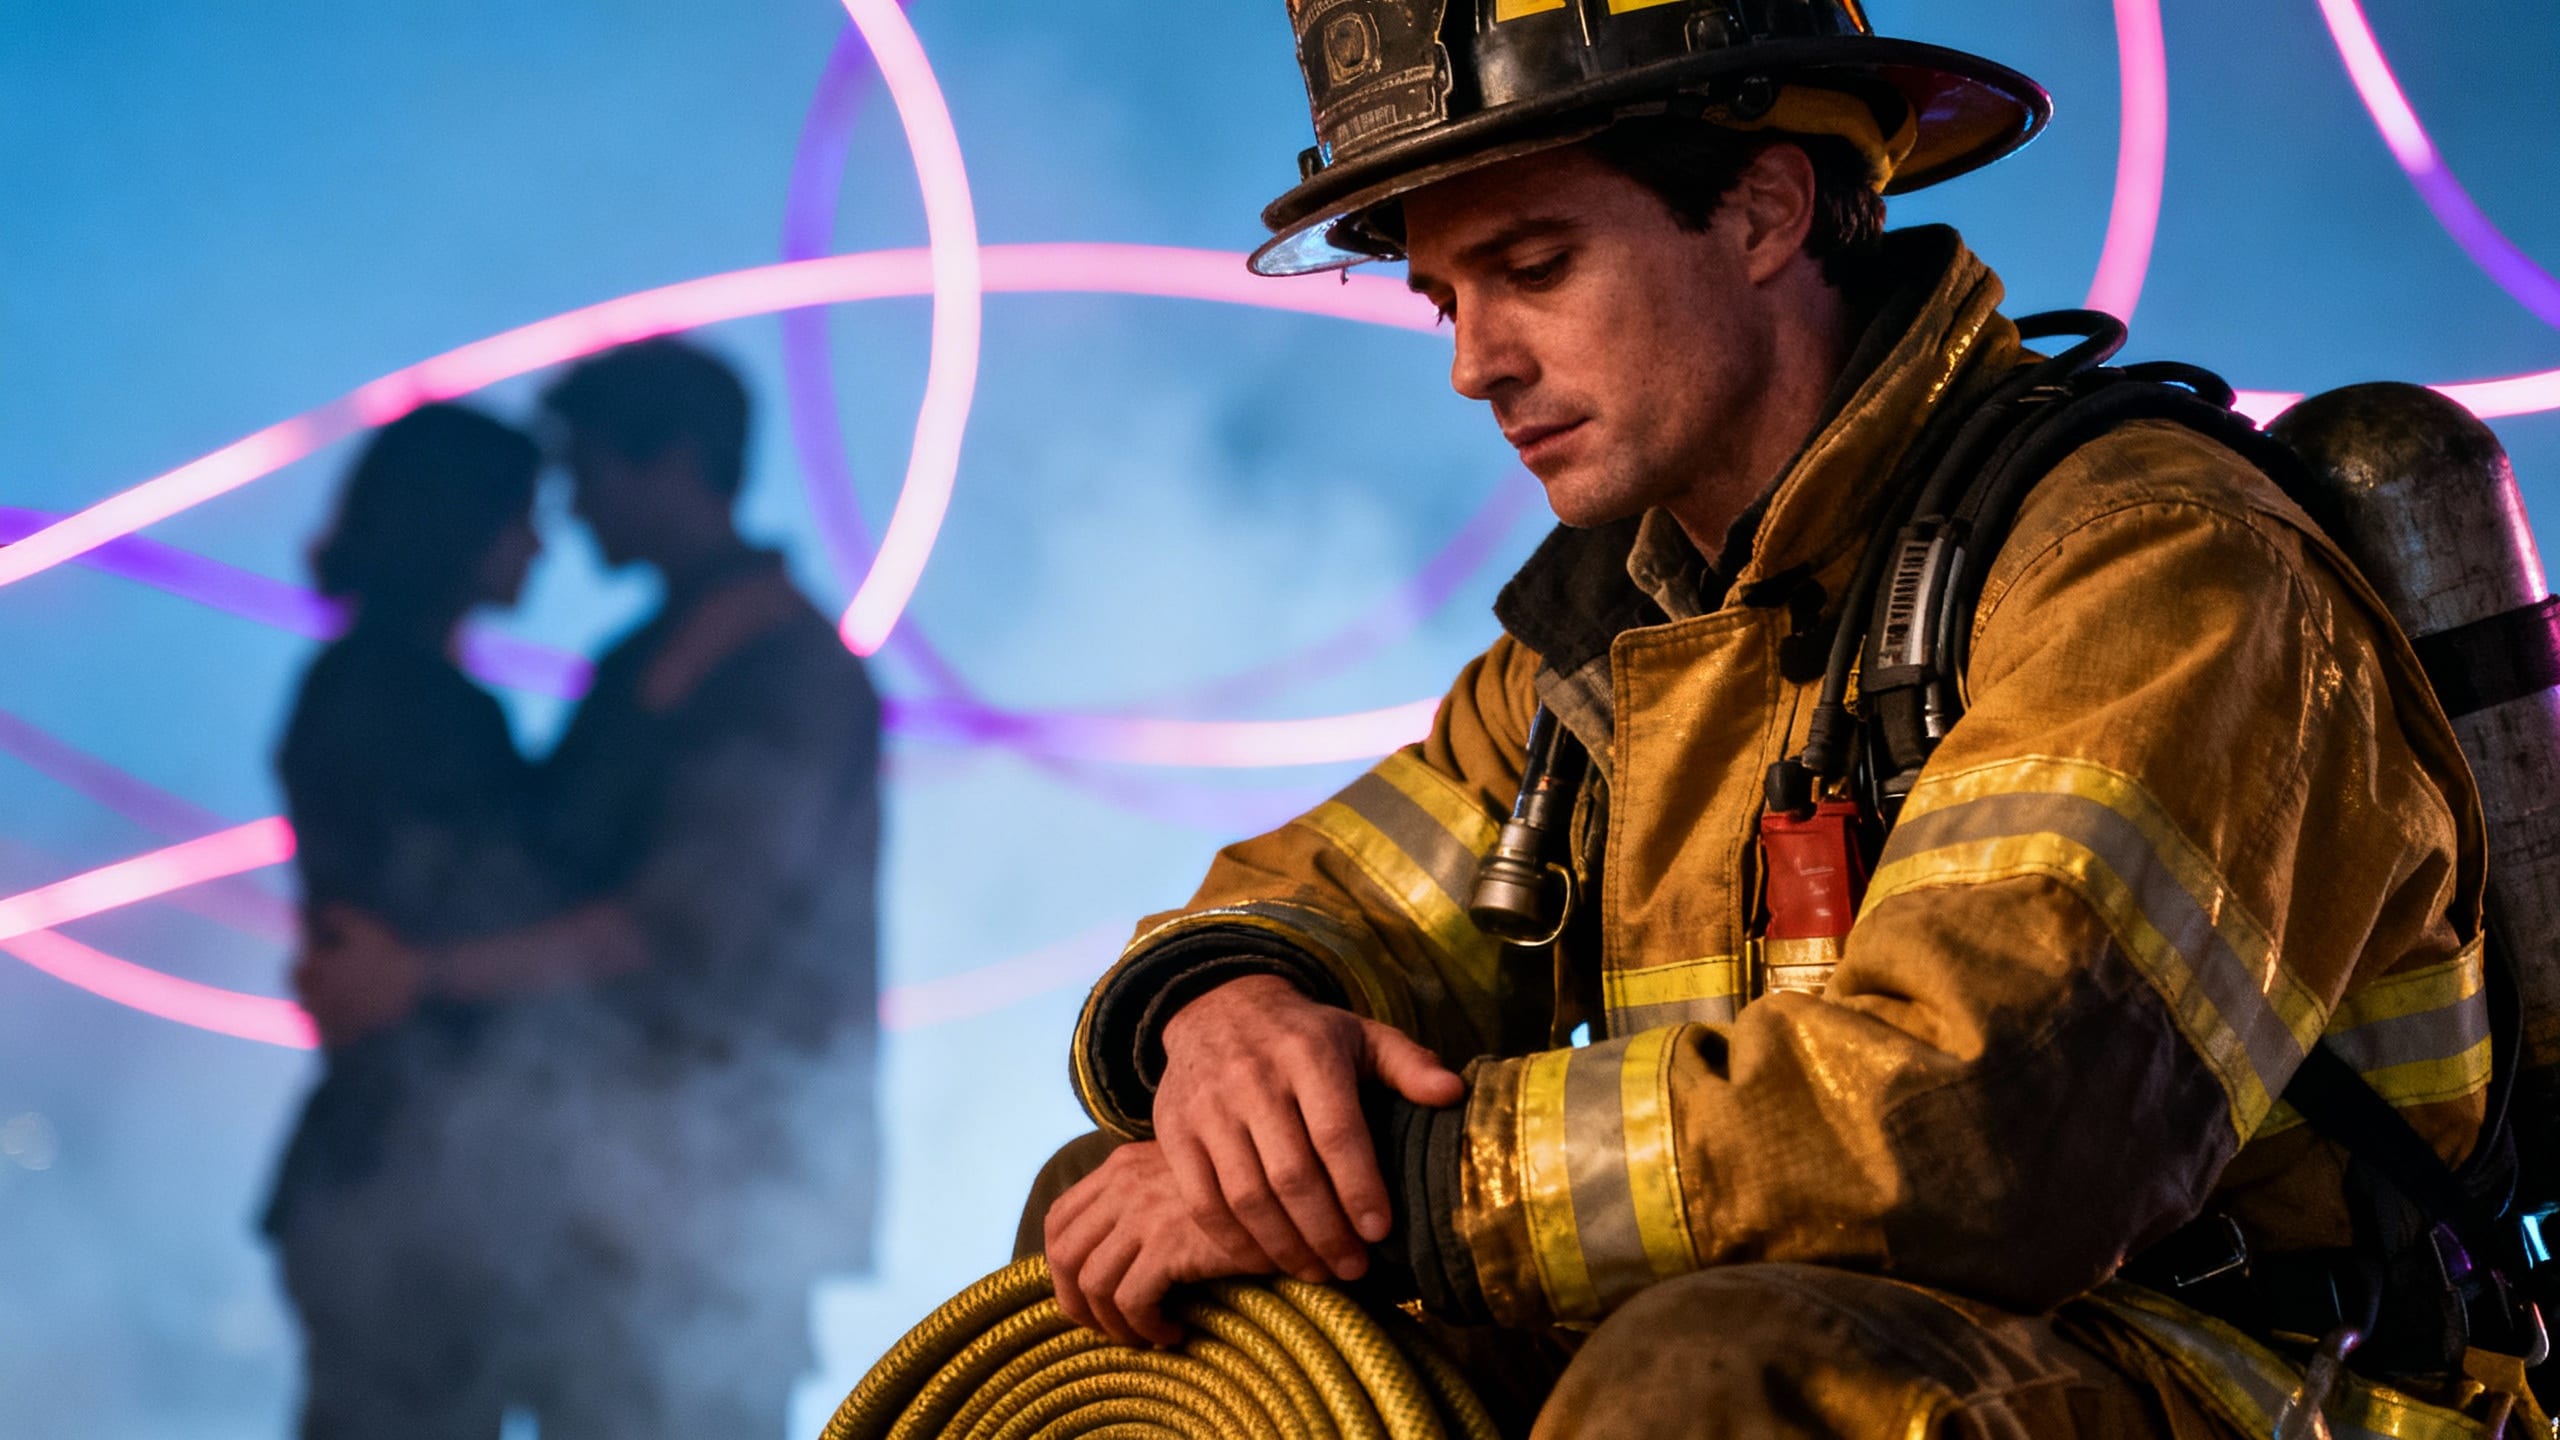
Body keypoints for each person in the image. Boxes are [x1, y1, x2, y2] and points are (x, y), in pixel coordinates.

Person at [1031, 4, 2542, 1437]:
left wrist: (1413, 1186)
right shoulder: (1619, 644)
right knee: (1136, 1231)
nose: (1473, 362)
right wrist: (1230, 1021)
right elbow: (1338, 898)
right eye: (1445, 297)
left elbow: (1983, 1132)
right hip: (1840, 1343)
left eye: (1535, 267)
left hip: (2248, 1379)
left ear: (1762, 213)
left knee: (1709, 1384)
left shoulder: (2153, 567)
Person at [300, 338, 884, 1438]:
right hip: (612, 1192)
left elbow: (684, 921)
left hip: (698, 1190)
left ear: (673, 462)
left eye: (584, 470)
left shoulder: (768, 664)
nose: (566, 512)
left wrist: (417, 974)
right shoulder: (667, 659)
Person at [268, 403, 560, 1438]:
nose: (540, 544)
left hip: (387, 1165)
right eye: (519, 516)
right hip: (412, 1174)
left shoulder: (362, 683)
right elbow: (463, 914)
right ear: (459, 524)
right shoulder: (412, 703)